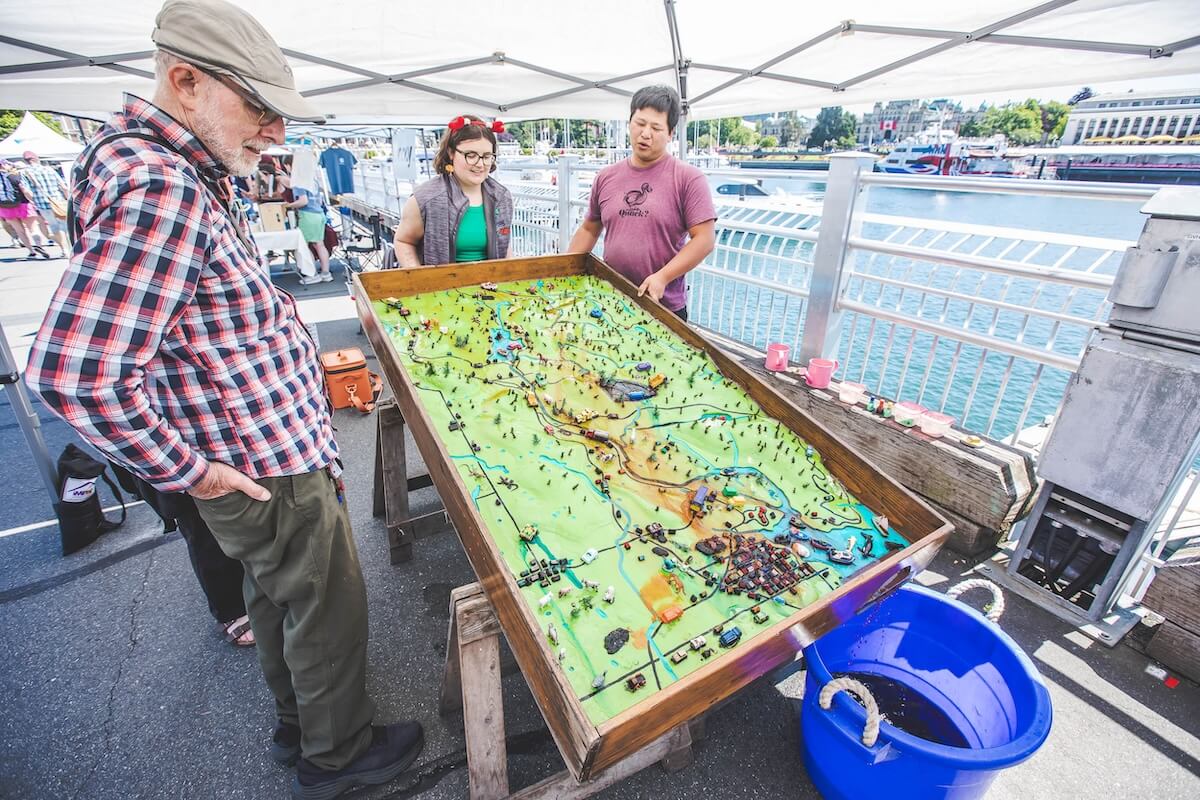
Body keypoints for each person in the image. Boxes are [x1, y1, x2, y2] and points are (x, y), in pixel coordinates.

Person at [24, 2, 424, 798]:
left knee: (274, 599)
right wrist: (189, 472)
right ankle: (338, 754)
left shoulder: (160, 166)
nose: (275, 133)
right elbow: (75, 371)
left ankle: (297, 726)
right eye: (260, 109)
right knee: (325, 603)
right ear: (185, 81)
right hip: (257, 461)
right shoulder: (159, 185)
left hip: (249, 449)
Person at [567, 85, 716, 321]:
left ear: (670, 133)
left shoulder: (688, 178)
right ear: (629, 123)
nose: (645, 134)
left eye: (656, 128)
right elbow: (589, 227)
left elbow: (705, 240)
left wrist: (663, 277)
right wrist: (564, 267)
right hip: (611, 298)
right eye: (640, 123)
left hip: (663, 306)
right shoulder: (606, 176)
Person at [393, 115, 513, 266]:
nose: (480, 164)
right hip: (441, 286)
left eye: (487, 156)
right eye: (471, 155)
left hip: (493, 286)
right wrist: (420, 279)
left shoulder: (502, 197)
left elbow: (505, 246)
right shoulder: (426, 199)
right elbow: (404, 241)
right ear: (451, 153)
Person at [18, 151, 70, 255]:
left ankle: (64, 249)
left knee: (54, 226)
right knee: (65, 226)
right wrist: (68, 198)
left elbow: (27, 191)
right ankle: (70, 248)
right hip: (58, 201)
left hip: (42, 204)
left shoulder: (25, 173)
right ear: (36, 158)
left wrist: (34, 201)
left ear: (26, 161)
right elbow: (63, 186)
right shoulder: (48, 169)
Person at [283, 175, 333, 281]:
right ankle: (326, 273)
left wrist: (288, 206)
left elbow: (303, 201)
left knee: (304, 246)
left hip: (307, 215)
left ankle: (312, 274)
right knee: (320, 245)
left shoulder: (298, 181)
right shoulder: (312, 179)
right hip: (319, 213)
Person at [0, 160, 48, 258]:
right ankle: (39, 246)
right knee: (33, 228)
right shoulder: (15, 176)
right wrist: (32, 200)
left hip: (5, 208)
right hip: (24, 205)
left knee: (20, 231)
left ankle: (31, 251)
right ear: (4, 165)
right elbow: (25, 191)